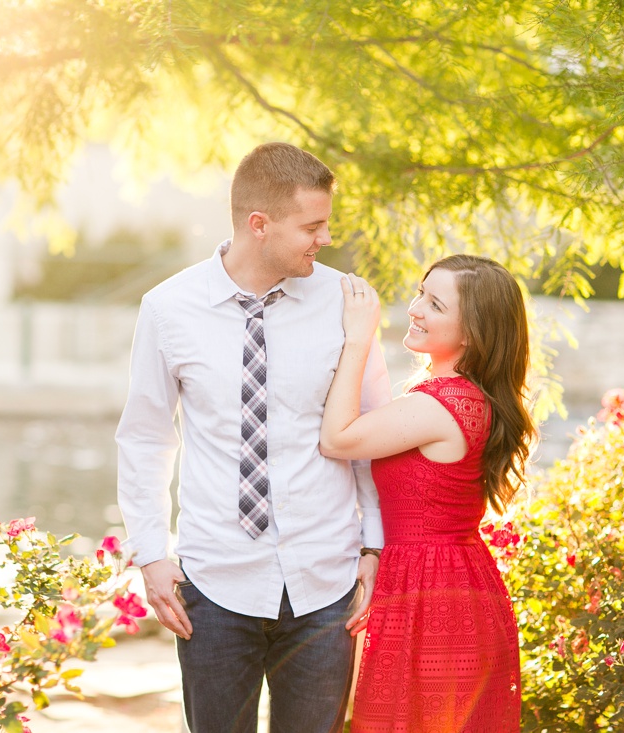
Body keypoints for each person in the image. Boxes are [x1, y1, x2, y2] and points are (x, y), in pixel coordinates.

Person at [115, 142, 392, 733]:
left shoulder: (347, 301)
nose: (324, 239)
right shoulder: (168, 308)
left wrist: (374, 547)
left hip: (327, 581)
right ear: (258, 225)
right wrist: (151, 554)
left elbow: (372, 432)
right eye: (312, 226)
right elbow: (144, 437)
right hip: (214, 585)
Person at [320, 254, 535, 732]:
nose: (415, 308)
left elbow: (335, 439)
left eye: (435, 304)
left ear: (472, 334)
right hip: (453, 583)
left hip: (433, 596)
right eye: (421, 292)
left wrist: (358, 338)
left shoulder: (442, 403)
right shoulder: (465, 394)